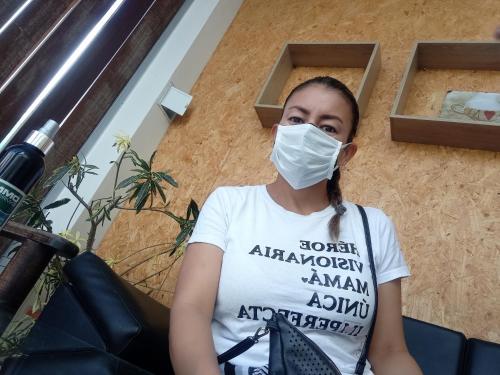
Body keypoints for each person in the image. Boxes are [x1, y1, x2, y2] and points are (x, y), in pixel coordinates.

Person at [170, 76, 422, 375]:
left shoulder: (375, 226)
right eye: (297, 118)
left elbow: (391, 353)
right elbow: (191, 310)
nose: (308, 131)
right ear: (277, 133)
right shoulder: (229, 203)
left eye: (328, 127)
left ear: (345, 153)